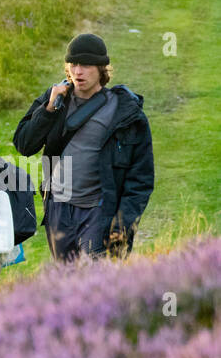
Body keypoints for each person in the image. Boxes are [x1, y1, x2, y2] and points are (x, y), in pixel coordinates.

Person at [12, 32, 154, 260]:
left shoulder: (124, 112)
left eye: (86, 65)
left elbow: (141, 178)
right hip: (59, 209)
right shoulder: (54, 100)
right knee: (66, 284)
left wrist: (123, 224)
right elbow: (24, 145)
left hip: (98, 210)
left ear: (102, 69)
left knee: (97, 280)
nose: (78, 71)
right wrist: (48, 110)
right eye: (73, 64)